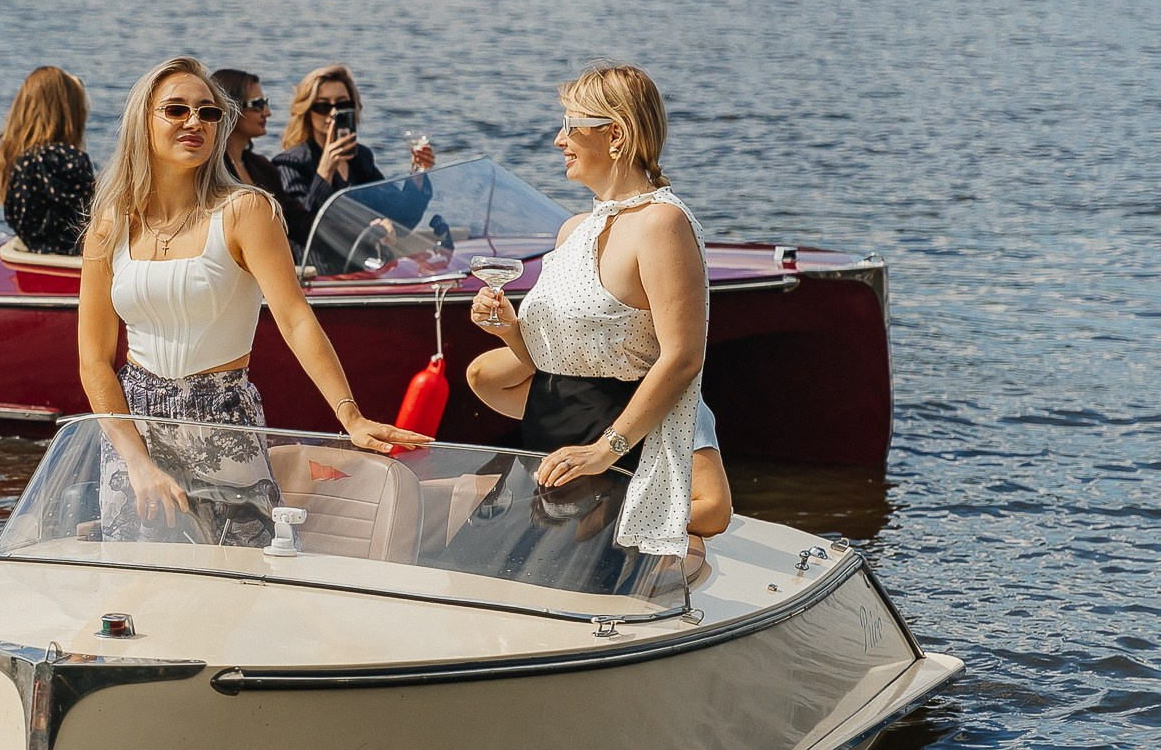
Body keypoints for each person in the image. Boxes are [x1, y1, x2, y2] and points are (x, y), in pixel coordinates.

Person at [79, 56, 423, 526]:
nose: (194, 122)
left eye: (208, 112)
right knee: (136, 566)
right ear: (143, 121)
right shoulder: (110, 223)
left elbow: (295, 318)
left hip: (222, 414)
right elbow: (94, 360)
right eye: (176, 110)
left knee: (244, 561)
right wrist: (135, 460)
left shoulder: (246, 210)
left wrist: (351, 416)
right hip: (132, 423)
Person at [464, 61, 729, 556]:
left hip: (612, 454)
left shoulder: (662, 223)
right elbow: (556, 360)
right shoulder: (572, 230)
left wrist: (604, 452)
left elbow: (683, 357)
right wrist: (511, 331)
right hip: (546, 448)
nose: (558, 140)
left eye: (570, 125)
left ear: (616, 135)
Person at [272, 64, 436, 255]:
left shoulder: (360, 157)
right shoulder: (290, 164)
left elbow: (400, 219)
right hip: (321, 267)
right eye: (323, 106)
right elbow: (306, 228)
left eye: (342, 105)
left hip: (365, 260)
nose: (333, 113)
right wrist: (324, 173)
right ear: (307, 112)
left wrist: (418, 174)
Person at [0, 65, 93, 256]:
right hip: (69, 258)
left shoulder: (17, 159)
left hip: (33, 254)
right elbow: (90, 219)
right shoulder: (66, 160)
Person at [210, 68, 281, 201]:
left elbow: (293, 212)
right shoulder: (208, 171)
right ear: (230, 108)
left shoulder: (264, 168)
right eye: (257, 104)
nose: (267, 113)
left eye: (265, 103)